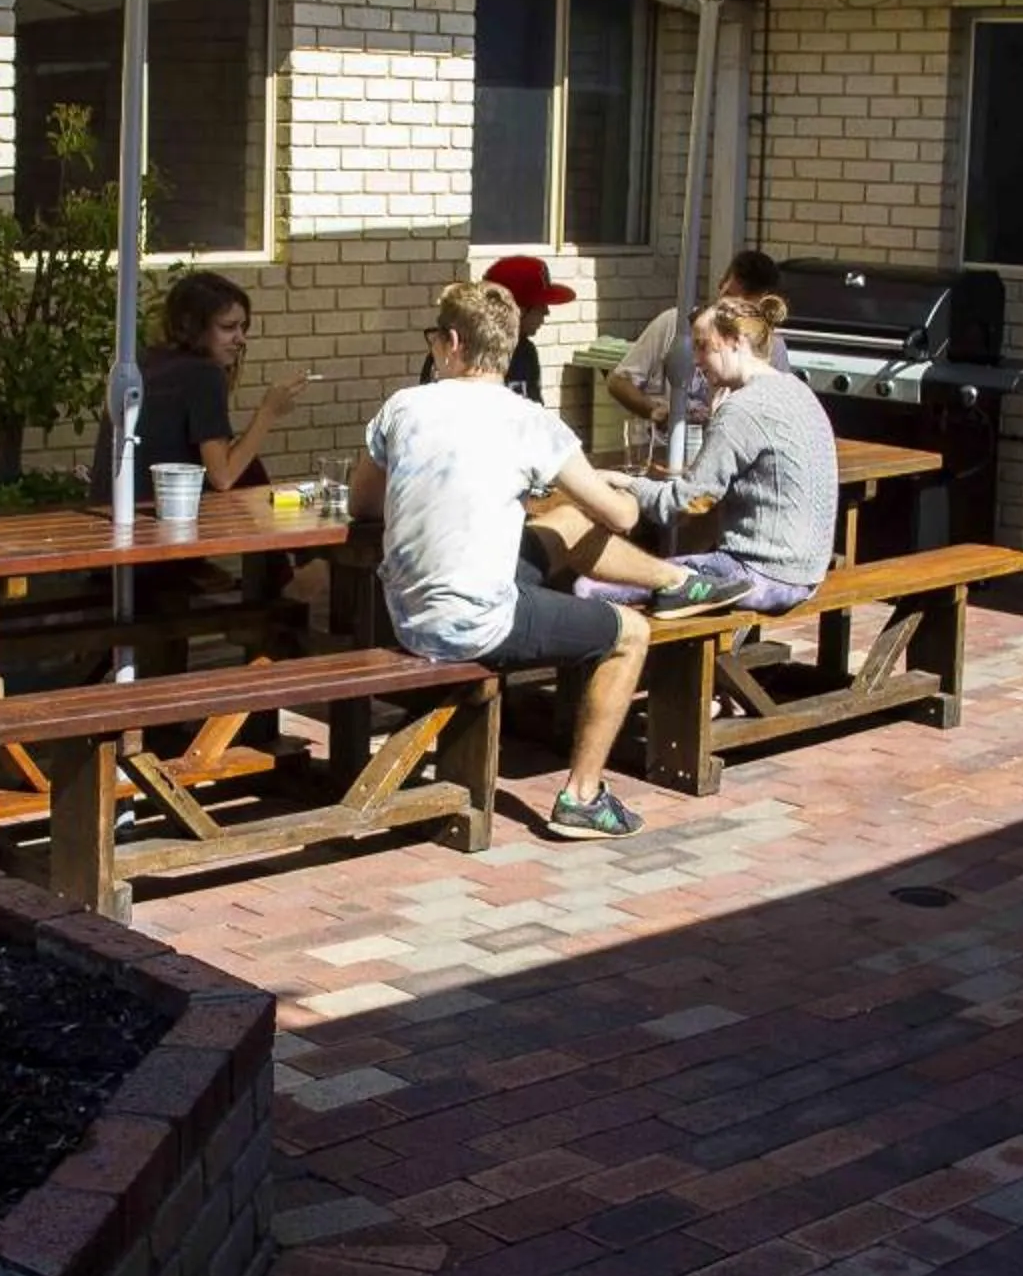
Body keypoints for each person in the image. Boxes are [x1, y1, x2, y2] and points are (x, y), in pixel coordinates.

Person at [351, 280, 753, 842]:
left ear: (449, 342)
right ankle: (581, 797)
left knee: (567, 521)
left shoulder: (403, 407)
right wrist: (607, 483)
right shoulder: (531, 422)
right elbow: (621, 518)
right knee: (631, 632)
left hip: (409, 610)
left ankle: (679, 581)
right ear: (509, 346)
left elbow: (361, 503)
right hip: (474, 624)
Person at [586, 293, 839, 614]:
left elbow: (686, 505)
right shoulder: (797, 390)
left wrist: (624, 483)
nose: (694, 359)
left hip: (759, 575)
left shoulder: (742, 409)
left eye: (703, 345)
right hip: (806, 575)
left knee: (589, 585)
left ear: (736, 342)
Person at [89, 270, 309, 504]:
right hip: (157, 520)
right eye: (228, 327)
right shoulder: (203, 374)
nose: (241, 339)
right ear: (192, 327)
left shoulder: (142, 363)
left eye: (243, 327)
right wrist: (269, 411)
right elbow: (223, 477)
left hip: (113, 511)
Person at [607, 248, 791, 438]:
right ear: (721, 286)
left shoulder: (772, 346)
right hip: (664, 448)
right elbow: (618, 381)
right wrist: (654, 410)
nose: (732, 316)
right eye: (729, 301)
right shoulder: (673, 322)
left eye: (745, 312)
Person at [414, 253, 569, 402]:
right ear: (516, 308)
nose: (546, 312)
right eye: (540, 305)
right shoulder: (453, 352)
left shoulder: (526, 352)